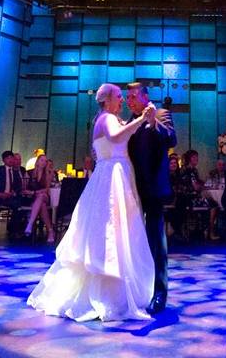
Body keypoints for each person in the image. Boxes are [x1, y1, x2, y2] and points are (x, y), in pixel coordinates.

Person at [28, 83, 156, 321]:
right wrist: (140, 120)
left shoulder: (109, 117)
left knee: (118, 229)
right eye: (119, 97)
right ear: (107, 100)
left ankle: (117, 287)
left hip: (116, 174)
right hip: (111, 177)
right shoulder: (106, 118)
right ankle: (107, 293)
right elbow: (116, 137)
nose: (122, 101)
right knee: (109, 229)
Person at [125, 82, 176, 314]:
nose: (130, 100)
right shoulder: (129, 122)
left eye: (134, 96)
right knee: (135, 241)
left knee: (156, 241)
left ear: (145, 96)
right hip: (132, 189)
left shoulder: (162, 113)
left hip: (154, 188)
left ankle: (159, 293)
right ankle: (137, 290)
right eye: (128, 97)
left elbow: (171, 139)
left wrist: (153, 121)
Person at [22, 153, 55, 242]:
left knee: (41, 196)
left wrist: (35, 192)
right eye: (42, 160)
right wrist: (33, 193)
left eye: (45, 161)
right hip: (33, 198)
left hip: (44, 196)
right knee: (42, 206)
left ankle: (30, 224)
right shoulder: (29, 172)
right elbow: (24, 188)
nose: (44, 162)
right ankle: (50, 230)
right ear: (37, 162)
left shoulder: (48, 173)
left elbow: (47, 189)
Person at [0, 151, 23, 235]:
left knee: (21, 204)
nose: (10, 160)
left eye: (11, 158)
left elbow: (18, 186)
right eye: (8, 158)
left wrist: (14, 192)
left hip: (11, 197)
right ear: (4, 160)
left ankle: (14, 228)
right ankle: (13, 229)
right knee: (17, 205)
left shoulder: (15, 172)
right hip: (0, 197)